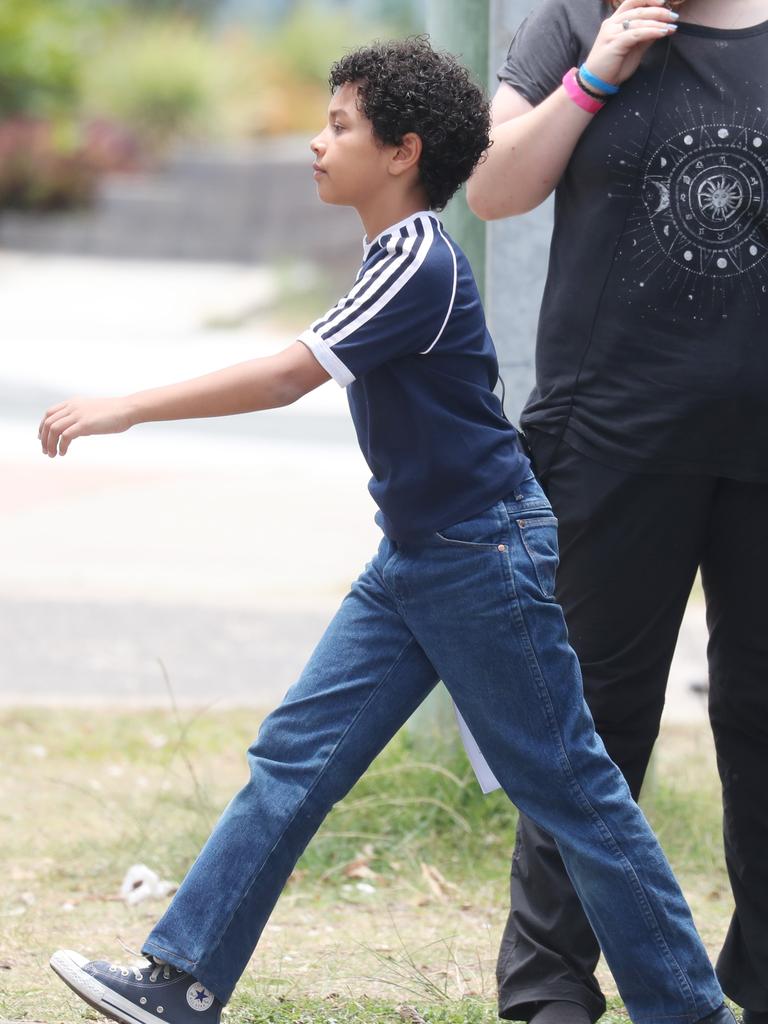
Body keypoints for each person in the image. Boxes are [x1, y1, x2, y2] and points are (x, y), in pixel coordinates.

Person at [43, 37, 733, 1024]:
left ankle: (690, 1009)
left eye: (339, 127)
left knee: (575, 795)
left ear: (403, 151)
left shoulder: (416, 260)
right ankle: (182, 980)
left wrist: (126, 406)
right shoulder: (393, 254)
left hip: (481, 557)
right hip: (421, 556)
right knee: (296, 758)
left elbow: (289, 374)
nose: (317, 146)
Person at [466, 1, 768, 1023]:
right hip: (612, 436)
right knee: (590, 717)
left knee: (764, 716)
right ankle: (550, 983)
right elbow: (496, 185)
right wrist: (594, 75)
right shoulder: (571, 22)